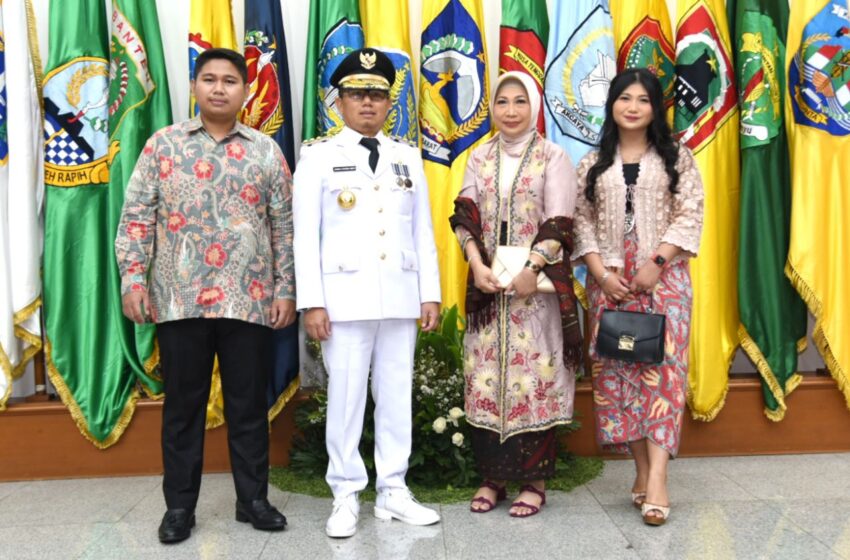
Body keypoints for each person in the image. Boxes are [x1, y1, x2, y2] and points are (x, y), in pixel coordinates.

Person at [115, 48, 294, 544]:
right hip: (179, 299)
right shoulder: (163, 146)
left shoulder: (265, 151)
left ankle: (252, 500)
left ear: (245, 90)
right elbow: (135, 218)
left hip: (249, 298)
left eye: (230, 81)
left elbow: (283, 227)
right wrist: (134, 280)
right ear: (195, 86)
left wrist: (285, 291)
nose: (219, 88)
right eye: (209, 79)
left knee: (247, 405)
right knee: (183, 407)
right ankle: (179, 508)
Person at [293, 48, 442, 538]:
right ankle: (345, 493)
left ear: (388, 102)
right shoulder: (318, 157)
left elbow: (422, 231)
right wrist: (312, 302)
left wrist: (430, 293)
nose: (368, 103)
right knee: (346, 397)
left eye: (377, 94)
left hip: (400, 295)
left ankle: (394, 491)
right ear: (339, 102)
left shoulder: (407, 157)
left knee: (396, 396)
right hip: (344, 299)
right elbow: (303, 235)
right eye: (357, 93)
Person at [572, 68, 704, 526]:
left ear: (655, 109)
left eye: (642, 100)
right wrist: (598, 273)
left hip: (664, 281)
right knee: (618, 373)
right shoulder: (592, 162)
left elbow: (690, 214)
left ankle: (659, 480)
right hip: (608, 283)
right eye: (624, 98)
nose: (632, 106)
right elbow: (581, 221)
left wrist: (657, 263)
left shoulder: (677, 158)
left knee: (664, 374)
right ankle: (642, 471)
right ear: (611, 105)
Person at [449, 71, 583, 518]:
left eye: (519, 102)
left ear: (534, 107)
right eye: (502, 102)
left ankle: (534, 480)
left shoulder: (553, 156)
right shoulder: (478, 156)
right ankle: (492, 478)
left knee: (533, 380)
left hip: (536, 293)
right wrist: (475, 263)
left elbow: (561, 220)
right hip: (489, 291)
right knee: (487, 378)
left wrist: (532, 267)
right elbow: (465, 216)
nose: (510, 111)